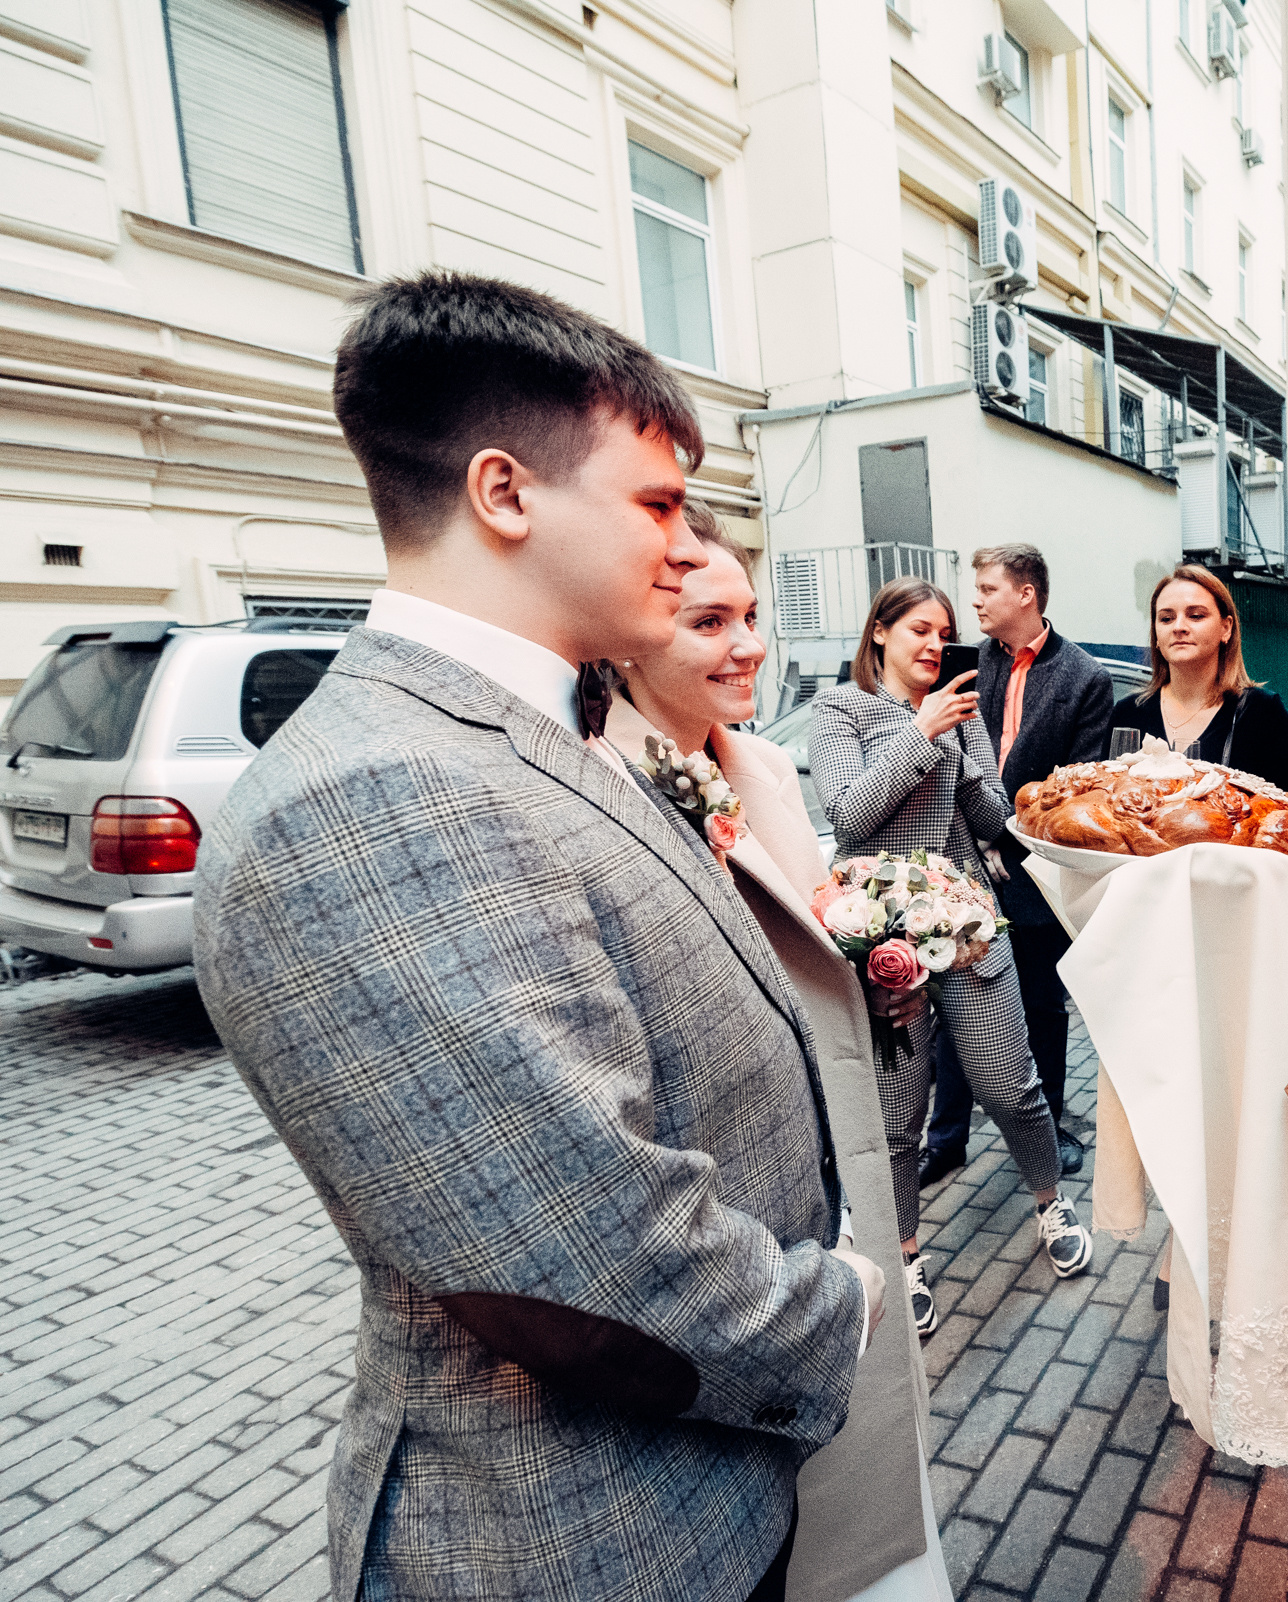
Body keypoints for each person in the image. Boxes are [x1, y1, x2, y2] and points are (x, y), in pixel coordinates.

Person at [192, 271, 880, 1602]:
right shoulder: (379, 796)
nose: (688, 553)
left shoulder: (523, 726)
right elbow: (589, 1267)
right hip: (575, 1537)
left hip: (693, 1501)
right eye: (658, 504)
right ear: (505, 494)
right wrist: (841, 1305)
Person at [606, 515, 949, 1602]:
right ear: (627, 636)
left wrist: (879, 970)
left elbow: (811, 933)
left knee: (881, 1479)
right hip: (754, 1196)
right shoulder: (606, 784)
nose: (750, 644)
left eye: (751, 616)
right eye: (710, 621)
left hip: (842, 1150)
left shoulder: (758, 761)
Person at [812, 577, 1093, 1339]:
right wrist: (921, 733)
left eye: (944, 633)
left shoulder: (962, 715)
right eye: (920, 632)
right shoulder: (842, 711)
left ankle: (1051, 1202)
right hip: (884, 940)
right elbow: (846, 816)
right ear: (881, 635)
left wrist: (967, 757)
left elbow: (993, 818)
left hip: (967, 926)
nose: (936, 645)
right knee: (898, 1118)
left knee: (1012, 1086)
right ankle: (905, 1255)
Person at [920, 544, 1115, 1186]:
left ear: (1026, 594)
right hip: (967, 859)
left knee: (1041, 1006)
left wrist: (1012, 839)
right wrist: (980, 838)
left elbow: (1078, 785)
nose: (973, 601)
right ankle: (944, 1140)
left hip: (1035, 870)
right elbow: (944, 752)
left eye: (986, 589)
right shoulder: (965, 665)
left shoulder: (1084, 677)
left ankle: (1050, 1128)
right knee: (953, 998)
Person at [1112, 565, 1288, 794]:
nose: (1179, 627)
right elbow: (1104, 799)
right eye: (1166, 618)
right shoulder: (1127, 714)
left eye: (1196, 616)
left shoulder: (1261, 714)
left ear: (1226, 628)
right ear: (1156, 635)